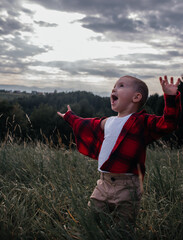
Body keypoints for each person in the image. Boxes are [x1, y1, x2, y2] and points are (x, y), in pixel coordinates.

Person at [57, 75, 181, 225]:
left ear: (136, 97)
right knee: (90, 223)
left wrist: (171, 97)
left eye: (121, 85)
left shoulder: (141, 122)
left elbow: (168, 124)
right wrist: (70, 117)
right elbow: (87, 124)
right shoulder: (108, 121)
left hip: (128, 188)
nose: (114, 88)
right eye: (114, 85)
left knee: (123, 229)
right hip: (103, 184)